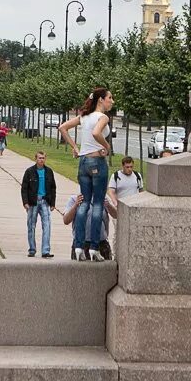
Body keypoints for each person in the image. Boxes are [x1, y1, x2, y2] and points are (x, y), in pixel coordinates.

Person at [60, 87, 115, 261]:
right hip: (97, 161)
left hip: (83, 162)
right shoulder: (103, 117)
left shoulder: (83, 117)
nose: (112, 101)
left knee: (83, 202)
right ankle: (93, 248)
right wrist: (106, 147)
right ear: (101, 100)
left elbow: (62, 128)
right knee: (97, 204)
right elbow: (96, 133)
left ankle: (78, 245)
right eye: (110, 98)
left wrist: (76, 148)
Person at [21, 151, 57, 258]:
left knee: (47, 225)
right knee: (31, 226)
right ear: (35, 159)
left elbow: (53, 188)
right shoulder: (29, 172)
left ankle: (45, 250)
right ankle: (32, 249)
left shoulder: (49, 171)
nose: (41, 160)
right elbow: (24, 188)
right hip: (33, 202)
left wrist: (52, 203)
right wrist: (25, 202)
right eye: (39, 158)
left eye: (43, 158)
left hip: (45, 201)